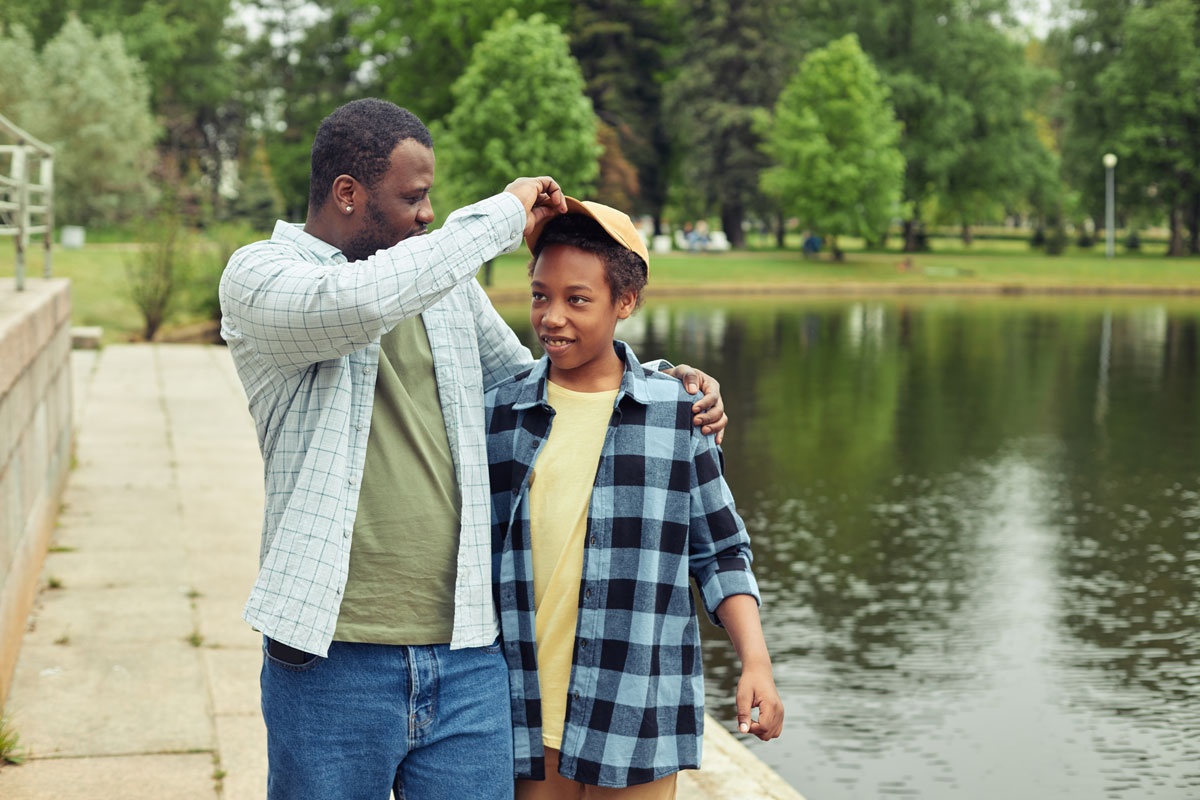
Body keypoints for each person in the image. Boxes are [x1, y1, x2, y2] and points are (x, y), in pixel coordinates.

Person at [218, 98, 728, 800]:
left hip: (469, 660)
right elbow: (358, 305)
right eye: (415, 196)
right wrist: (500, 214)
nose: (428, 213)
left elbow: (534, 383)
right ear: (347, 194)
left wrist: (661, 383)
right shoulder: (263, 277)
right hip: (331, 661)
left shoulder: (442, 288)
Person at [485, 199, 784, 799]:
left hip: (636, 704)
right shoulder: (499, 412)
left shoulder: (678, 415)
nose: (552, 318)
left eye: (577, 299)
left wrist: (756, 662)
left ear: (625, 303)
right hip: (521, 707)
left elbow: (720, 552)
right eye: (540, 295)